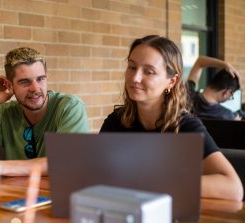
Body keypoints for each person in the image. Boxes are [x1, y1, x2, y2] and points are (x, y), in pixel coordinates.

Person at [100, 35, 243, 201]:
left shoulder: (186, 126)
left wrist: (155, 182)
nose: (135, 78)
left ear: (171, 81)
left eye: (149, 71)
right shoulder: (116, 121)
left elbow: (233, 188)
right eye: (132, 67)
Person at [0, 47, 89, 176]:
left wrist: (0, 167)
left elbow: (68, 162)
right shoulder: (5, 112)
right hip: (17, 193)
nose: (35, 88)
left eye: (40, 79)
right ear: (10, 86)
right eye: (25, 82)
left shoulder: (70, 107)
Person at [187, 55, 241, 120]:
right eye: (231, 96)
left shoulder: (186, 94)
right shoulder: (227, 116)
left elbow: (200, 61)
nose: (229, 98)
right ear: (227, 92)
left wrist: (225, 65)